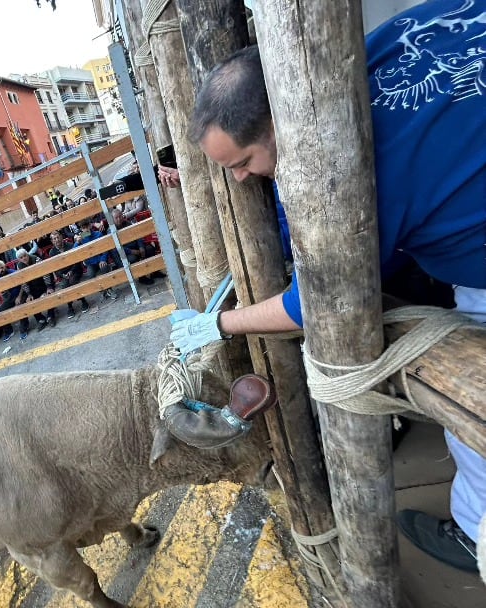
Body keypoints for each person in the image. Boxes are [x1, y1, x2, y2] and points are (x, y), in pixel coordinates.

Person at [170, 0, 486, 574]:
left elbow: (317, 302)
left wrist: (220, 323)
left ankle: (474, 533)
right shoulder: (376, 47)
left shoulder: (352, 172)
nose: (240, 178)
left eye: (242, 161)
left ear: (284, 122)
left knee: (477, 419)